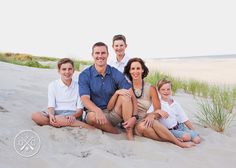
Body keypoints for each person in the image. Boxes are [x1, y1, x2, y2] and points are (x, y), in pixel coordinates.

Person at [121, 57, 195, 147]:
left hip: (149, 120)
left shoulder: (150, 88)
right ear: (129, 71)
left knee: (151, 122)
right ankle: (175, 141)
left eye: (138, 68)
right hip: (134, 124)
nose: (135, 71)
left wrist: (152, 116)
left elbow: (158, 110)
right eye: (132, 68)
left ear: (142, 70)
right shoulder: (127, 88)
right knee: (142, 127)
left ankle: (176, 142)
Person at [78, 42, 137, 140]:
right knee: (91, 117)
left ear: (108, 55)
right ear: (92, 55)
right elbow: (85, 99)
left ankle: (129, 132)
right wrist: (97, 110)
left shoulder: (115, 72)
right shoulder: (85, 75)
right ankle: (115, 132)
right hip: (95, 114)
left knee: (125, 96)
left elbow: (132, 95)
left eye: (103, 53)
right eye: (97, 53)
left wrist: (134, 116)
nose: (100, 56)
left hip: (113, 112)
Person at [31, 58, 94, 129]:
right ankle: (59, 122)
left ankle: (87, 127)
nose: (67, 72)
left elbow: (80, 110)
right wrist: (51, 115)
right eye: (64, 69)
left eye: (70, 69)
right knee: (35, 115)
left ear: (73, 70)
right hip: (56, 114)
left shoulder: (79, 86)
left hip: (72, 116)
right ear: (59, 71)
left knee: (59, 119)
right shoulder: (53, 85)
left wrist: (73, 116)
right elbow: (51, 106)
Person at [156, 79, 201, 144]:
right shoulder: (157, 103)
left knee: (197, 140)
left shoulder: (175, 104)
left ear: (171, 90)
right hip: (170, 130)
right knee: (186, 137)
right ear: (159, 91)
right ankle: (177, 137)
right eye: (163, 89)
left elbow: (185, 119)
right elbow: (149, 114)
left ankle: (187, 134)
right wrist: (158, 111)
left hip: (180, 126)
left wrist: (194, 131)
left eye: (168, 89)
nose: (166, 91)